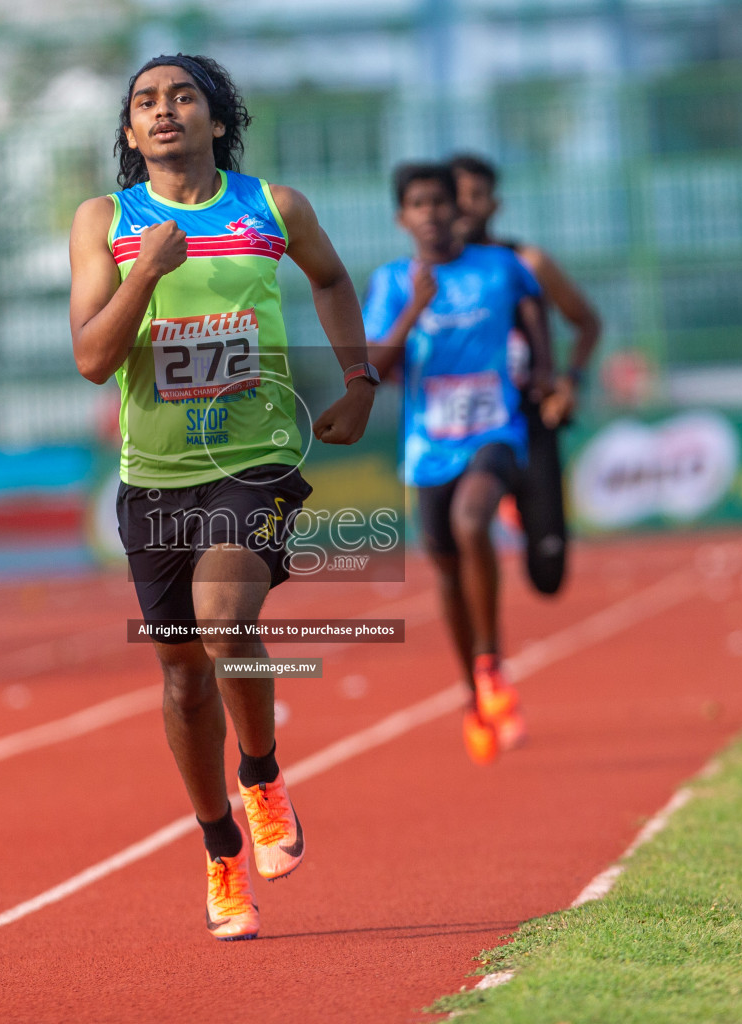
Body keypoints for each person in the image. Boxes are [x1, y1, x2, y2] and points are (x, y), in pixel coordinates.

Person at [68, 54, 375, 940]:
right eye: (145, 104)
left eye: (183, 97)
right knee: (181, 680)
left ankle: (264, 775)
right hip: (155, 476)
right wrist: (147, 273)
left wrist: (358, 376)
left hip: (258, 459)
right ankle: (218, 847)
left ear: (215, 118)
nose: (164, 112)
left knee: (224, 613)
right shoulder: (106, 222)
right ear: (130, 133)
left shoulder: (273, 208)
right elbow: (92, 360)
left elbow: (329, 276)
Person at [364, 163, 553, 765]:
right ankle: (475, 696)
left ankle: (491, 661)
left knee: (476, 521)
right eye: (418, 204)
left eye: (441, 202)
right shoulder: (394, 282)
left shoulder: (498, 268)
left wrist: (547, 372)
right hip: (429, 444)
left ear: (457, 211)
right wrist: (415, 307)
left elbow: (534, 311)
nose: (432, 213)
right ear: (403, 217)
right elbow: (376, 366)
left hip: (495, 430)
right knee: (446, 574)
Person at [450, 153, 601, 596]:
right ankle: (483, 651)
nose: (465, 207)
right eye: (457, 197)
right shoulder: (427, 275)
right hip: (467, 425)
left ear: (495, 205)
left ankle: (519, 506)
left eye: (477, 196)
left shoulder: (528, 263)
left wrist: (570, 382)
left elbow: (587, 323)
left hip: (531, 419)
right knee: (460, 543)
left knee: (548, 574)